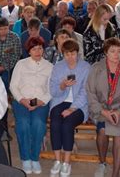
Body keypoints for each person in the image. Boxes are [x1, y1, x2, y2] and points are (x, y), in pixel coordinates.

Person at [86, 38, 120, 177]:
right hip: (101, 108)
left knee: (118, 137)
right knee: (102, 131)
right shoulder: (96, 68)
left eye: (119, 51)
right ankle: (102, 163)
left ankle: (115, 173)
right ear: (106, 52)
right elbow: (90, 93)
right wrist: (103, 112)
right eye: (113, 51)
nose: (116, 54)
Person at [10, 37, 53, 174]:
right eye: (34, 49)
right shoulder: (21, 64)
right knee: (23, 123)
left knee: (38, 123)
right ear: (29, 51)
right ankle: (25, 158)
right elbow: (13, 86)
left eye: (40, 48)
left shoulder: (50, 66)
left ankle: (34, 158)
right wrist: (22, 100)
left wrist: (42, 101)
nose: (38, 51)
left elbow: (51, 89)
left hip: (40, 102)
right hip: (21, 100)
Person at [49, 39, 90, 177]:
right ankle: (57, 160)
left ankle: (66, 162)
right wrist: (63, 86)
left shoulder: (85, 67)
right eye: (67, 54)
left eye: (73, 54)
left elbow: (86, 92)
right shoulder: (58, 67)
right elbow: (53, 91)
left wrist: (73, 108)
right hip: (60, 101)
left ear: (77, 53)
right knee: (55, 123)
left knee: (67, 125)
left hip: (79, 105)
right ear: (63, 54)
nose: (70, 57)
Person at [0, 17, 22, 90]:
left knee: (5, 80)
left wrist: (5, 67)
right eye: (1, 29)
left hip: (10, 66)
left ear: (9, 27)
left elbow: (17, 55)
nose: (3, 31)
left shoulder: (15, 37)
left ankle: (6, 95)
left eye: (5, 28)